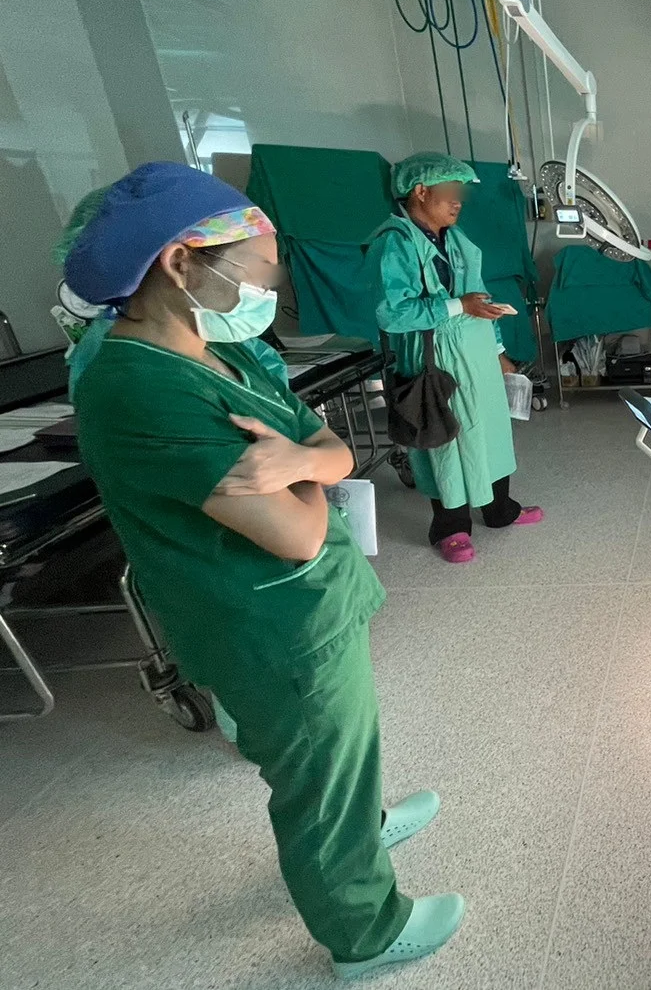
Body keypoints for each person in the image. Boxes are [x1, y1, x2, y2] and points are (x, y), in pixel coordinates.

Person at [64, 162, 464, 980]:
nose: (268, 289)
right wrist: (309, 467)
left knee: (342, 751)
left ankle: (365, 822)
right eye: (257, 269)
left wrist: (304, 462)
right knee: (316, 777)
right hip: (267, 625)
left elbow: (333, 447)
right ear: (180, 262)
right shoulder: (138, 387)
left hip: (307, 612)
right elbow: (299, 534)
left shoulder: (221, 351)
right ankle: (365, 931)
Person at [371, 152, 542, 563]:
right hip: (434, 356)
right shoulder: (395, 242)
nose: (458, 201)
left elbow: (478, 297)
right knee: (444, 438)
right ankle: (450, 528)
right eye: (450, 192)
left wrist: (499, 353)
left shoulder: (455, 240)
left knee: (490, 431)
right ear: (420, 191)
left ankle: (500, 510)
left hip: (477, 351)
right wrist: (457, 307)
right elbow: (392, 313)